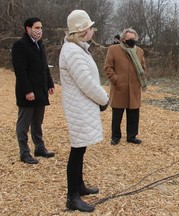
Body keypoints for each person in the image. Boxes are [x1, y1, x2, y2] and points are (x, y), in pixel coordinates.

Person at [59, 10, 109, 212]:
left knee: (81, 148)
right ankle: (72, 197)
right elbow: (86, 82)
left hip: (82, 106)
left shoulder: (77, 49)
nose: (92, 30)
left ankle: (79, 186)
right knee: (77, 150)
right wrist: (104, 99)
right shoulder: (72, 51)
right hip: (78, 108)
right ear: (82, 31)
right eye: (90, 28)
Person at [12, 17, 55, 164]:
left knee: (37, 122)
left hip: (40, 91)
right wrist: (27, 91)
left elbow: (44, 67)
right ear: (28, 29)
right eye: (36, 28)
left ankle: (39, 148)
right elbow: (20, 71)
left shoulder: (40, 45)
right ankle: (24, 153)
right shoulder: (20, 45)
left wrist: (50, 83)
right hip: (28, 92)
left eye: (41, 28)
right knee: (23, 124)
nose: (39, 30)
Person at [104, 28, 147, 145]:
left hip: (134, 88)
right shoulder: (113, 49)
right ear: (123, 39)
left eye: (134, 39)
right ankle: (115, 137)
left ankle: (132, 136)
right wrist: (115, 80)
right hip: (119, 87)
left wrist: (139, 80)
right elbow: (108, 67)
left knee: (134, 114)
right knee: (117, 115)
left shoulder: (139, 51)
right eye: (129, 39)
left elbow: (143, 67)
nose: (132, 41)